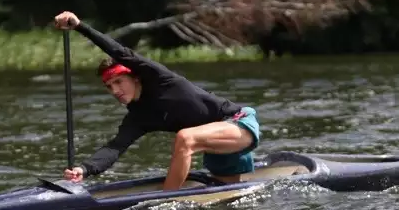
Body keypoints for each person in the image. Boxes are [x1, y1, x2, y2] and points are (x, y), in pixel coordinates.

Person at [53, 11, 260, 190]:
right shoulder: (138, 117)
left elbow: (121, 52)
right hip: (215, 143)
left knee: (185, 138)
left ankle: (169, 200)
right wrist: (84, 169)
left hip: (238, 123)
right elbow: (114, 148)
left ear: (135, 77)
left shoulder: (159, 78)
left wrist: (80, 27)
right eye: (109, 86)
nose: (115, 90)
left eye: (119, 82)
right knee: (227, 202)